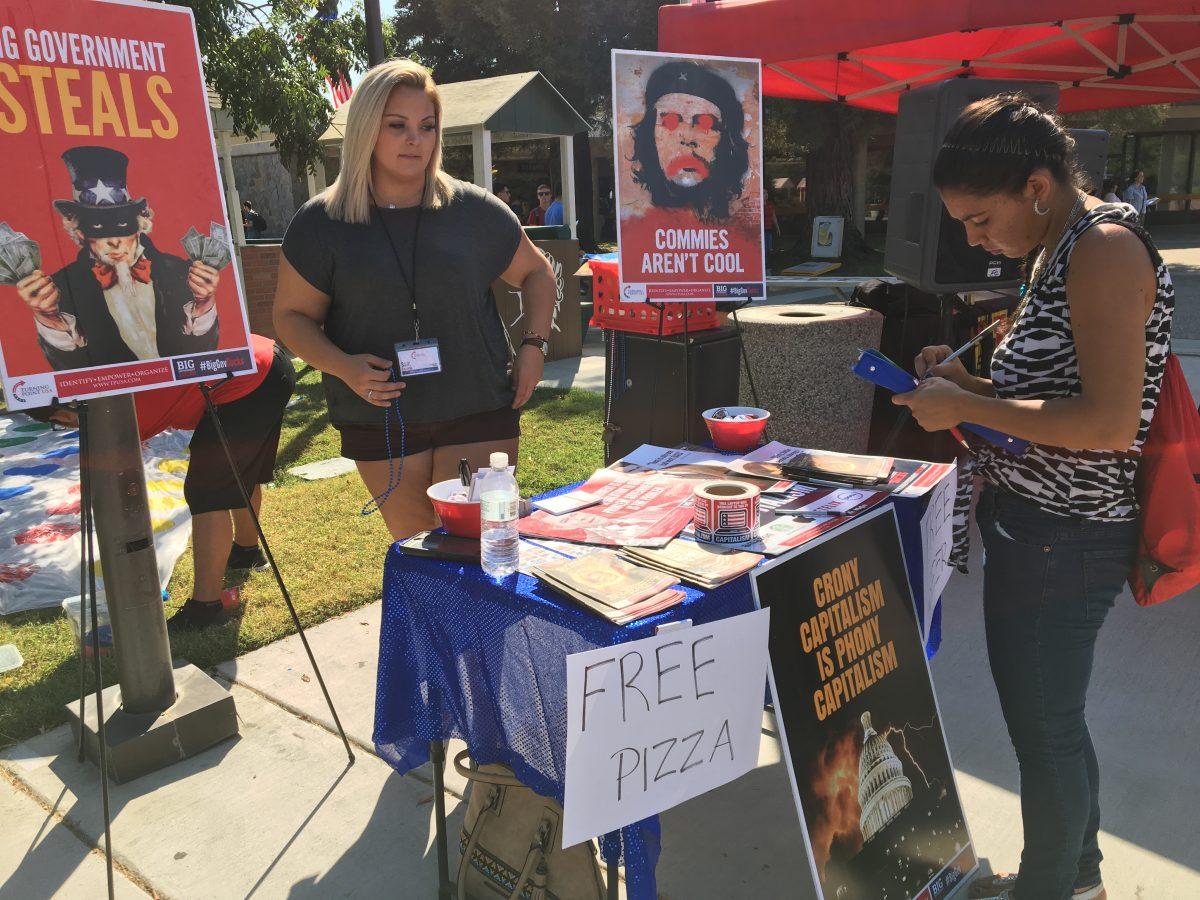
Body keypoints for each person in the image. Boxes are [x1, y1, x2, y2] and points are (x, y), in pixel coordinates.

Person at [894, 94, 1173, 900]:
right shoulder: (1056, 248)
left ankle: (1049, 889)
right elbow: (1051, 395)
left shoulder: (1106, 249)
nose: (975, 239)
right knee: (1052, 723)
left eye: (982, 220)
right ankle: (1074, 879)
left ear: (1039, 187)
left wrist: (968, 406)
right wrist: (968, 382)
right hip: (1036, 523)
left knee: (1043, 732)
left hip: (1069, 532)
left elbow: (1112, 422)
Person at [273, 59, 556, 541]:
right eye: (397, 126)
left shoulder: (473, 210)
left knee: (479, 543)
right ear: (366, 130)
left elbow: (536, 273)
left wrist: (534, 346)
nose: (415, 140)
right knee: (416, 548)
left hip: (479, 403)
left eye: (427, 127)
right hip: (380, 412)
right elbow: (291, 317)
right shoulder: (321, 223)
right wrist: (343, 366)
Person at [35, 334, 296, 630]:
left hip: (249, 377)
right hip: (264, 359)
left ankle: (206, 608)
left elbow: (118, 471)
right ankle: (246, 552)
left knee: (207, 494)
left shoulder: (119, 407)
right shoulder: (105, 376)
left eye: (62, 421)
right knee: (238, 472)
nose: (68, 427)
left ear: (70, 403)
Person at [15, 146, 221, 371]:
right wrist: (50, 319)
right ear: (81, 232)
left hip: (178, 392)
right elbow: (70, 370)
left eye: (122, 225)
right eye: (98, 228)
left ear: (140, 225)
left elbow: (205, 355)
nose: (114, 242)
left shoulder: (181, 272)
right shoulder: (60, 288)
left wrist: (204, 304)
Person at [629, 59, 751, 221]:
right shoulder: (636, 225)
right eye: (670, 122)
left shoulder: (741, 231)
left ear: (727, 139)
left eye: (705, 123)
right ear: (650, 135)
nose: (687, 137)